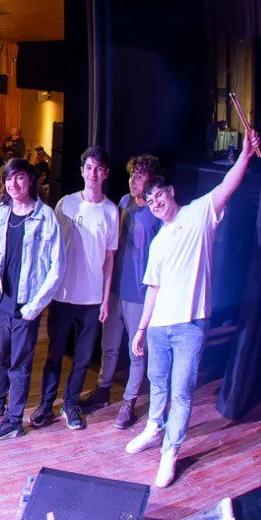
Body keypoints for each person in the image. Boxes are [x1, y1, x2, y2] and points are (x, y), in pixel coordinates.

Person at [126, 129, 260, 488]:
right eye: (148, 199)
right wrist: (141, 329)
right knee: (157, 384)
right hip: (158, 328)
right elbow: (152, 288)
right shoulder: (157, 242)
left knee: (181, 392)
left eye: (158, 195)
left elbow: (228, 186)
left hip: (190, 325)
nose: (154, 203)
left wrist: (245, 155)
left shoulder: (199, 213)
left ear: (171, 192)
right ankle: (154, 428)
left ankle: (170, 450)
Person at [0, 159, 65, 440]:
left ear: (31, 180)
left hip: (26, 305)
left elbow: (56, 268)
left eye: (20, 178)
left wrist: (35, 308)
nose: (14, 184)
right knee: (2, 358)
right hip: (1, 301)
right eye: (9, 179)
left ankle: (13, 420)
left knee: (19, 364)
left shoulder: (46, 216)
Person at [32, 146, 119, 431]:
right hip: (62, 295)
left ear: (105, 173)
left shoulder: (111, 211)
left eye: (98, 168)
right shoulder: (66, 204)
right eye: (88, 167)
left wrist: (105, 300)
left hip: (92, 300)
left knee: (82, 360)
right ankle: (46, 404)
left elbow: (109, 260)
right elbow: (50, 250)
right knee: (55, 354)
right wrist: (45, 291)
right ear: (82, 171)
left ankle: (70, 404)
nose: (93, 173)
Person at [79, 154, 165, 429]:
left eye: (139, 176)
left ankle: (129, 401)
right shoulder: (124, 203)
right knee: (109, 344)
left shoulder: (157, 211)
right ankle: (103, 389)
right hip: (115, 288)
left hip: (140, 293)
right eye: (131, 175)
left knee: (136, 350)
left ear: (151, 179)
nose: (133, 180)